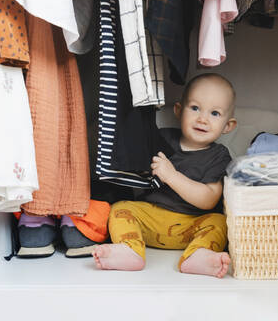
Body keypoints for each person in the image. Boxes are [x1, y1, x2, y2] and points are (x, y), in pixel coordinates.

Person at [92, 73, 237, 278]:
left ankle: (198, 255)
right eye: (195, 108)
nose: (202, 119)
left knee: (220, 222)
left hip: (193, 224)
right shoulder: (162, 138)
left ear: (228, 126)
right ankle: (131, 249)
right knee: (120, 208)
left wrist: (172, 176)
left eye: (215, 113)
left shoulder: (219, 156)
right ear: (178, 110)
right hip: (150, 219)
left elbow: (209, 198)